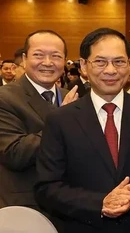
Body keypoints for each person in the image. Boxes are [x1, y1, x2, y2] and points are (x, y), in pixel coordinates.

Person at [35, 28, 130, 232]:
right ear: (84, 66)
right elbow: (47, 187)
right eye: (101, 62)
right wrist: (101, 203)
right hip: (84, 226)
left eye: (119, 62)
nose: (110, 70)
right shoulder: (60, 119)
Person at [0, 30, 77, 211]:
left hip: (70, 204)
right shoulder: (5, 97)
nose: (48, 63)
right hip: (26, 207)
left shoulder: (70, 97)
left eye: (56, 56)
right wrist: (62, 118)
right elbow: (14, 153)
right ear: (25, 59)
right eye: (39, 55)